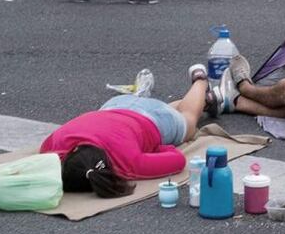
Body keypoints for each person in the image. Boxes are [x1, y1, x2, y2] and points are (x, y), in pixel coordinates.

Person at [39, 66, 219, 198]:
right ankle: (206, 99)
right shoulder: (57, 146)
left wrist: (156, 148)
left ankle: (201, 80)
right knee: (166, 112)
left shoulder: (128, 164)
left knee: (188, 120)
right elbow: (45, 148)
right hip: (115, 105)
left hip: (152, 120)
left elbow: (177, 160)